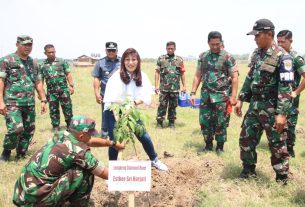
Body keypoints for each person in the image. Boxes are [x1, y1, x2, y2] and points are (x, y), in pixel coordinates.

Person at [13, 115, 124, 206]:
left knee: (75, 167)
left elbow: (89, 141)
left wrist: (111, 144)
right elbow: (105, 173)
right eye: (89, 134)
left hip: (23, 193)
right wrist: (130, 174)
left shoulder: (60, 135)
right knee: (83, 171)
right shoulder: (79, 152)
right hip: (37, 199)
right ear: (81, 135)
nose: (91, 137)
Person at [235, 19, 293, 183]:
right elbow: (249, 78)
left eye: (257, 35)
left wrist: (281, 113)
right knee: (245, 139)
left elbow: (285, 87)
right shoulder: (257, 53)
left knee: (277, 144)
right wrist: (241, 98)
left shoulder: (283, 57)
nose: (254, 38)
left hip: (272, 109)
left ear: (269, 34)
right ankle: (248, 170)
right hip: (254, 107)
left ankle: (281, 177)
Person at [103, 48, 168, 171]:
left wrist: (132, 103)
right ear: (123, 62)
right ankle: (112, 169)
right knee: (115, 141)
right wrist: (121, 113)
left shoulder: (141, 76)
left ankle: (154, 160)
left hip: (130, 110)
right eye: (127, 60)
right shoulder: (116, 77)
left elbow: (145, 96)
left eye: (133, 59)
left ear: (138, 61)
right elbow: (111, 99)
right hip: (113, 111)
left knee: (144, 136)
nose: (130, 62)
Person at [0, 35, 47, 161]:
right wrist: (0, 102)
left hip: (29, 102)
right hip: (12, 102)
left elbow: (38, 82)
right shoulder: (7, 60)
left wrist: (43, 99)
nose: (27, 47)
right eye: (24, 44)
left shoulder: (34, 62)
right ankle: (7, 150)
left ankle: (21, 153)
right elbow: (1, 81)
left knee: (29, 130)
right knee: (16, 128)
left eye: (30, 45)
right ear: (17, 44)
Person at [190, 31, 238, 154]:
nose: (215, 47)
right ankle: (208, 145)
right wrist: (193, 93)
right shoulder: (203, 56)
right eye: (212, 44)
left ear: (221, 42)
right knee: (205, 121)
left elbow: (234, 77)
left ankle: (220, 147)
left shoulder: (228, 57)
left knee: (221, 122)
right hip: (206, 95)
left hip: (222, 96)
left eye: (217, 44)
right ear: (208, 43)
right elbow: (197, 75)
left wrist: (233, 96)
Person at [277, 30, 305, 158]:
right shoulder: (277, 55)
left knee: (291, 124)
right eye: (278, 42)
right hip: (278, 97)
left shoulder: (295, 57)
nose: (280, 44)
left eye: (283, 42)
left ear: (291, 41)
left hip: (291, 99)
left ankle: (290, 148)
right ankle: (280, 147)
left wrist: (296, 91)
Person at [40, 44, 74, 131]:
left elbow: (68, 74)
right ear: (45, 53)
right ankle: (55, 126)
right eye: (49, 52)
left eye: (53, 52)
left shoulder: (61, 61)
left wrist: (71, 85)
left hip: (63, 90)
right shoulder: (42, 64)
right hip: (51, 91)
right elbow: (41, 80)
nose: (51, 54)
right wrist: (41, 93)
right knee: (53, 109)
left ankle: (70, 125)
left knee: (67, 108)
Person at [92, 42, 121, 138]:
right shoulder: (100, 62)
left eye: (113, 50)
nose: (111, 52)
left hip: (120, 95)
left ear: (117, 50)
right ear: (106, 51)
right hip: (106, 94)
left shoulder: (123, 61)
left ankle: (119, 135)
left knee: (120, 115)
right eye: (109, 50)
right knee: (106, 115)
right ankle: (104, 135)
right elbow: (96, 78)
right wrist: (96, 94)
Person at [155, 41, 186, 128]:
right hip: (163, 88)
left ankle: (171, 123)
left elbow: (182, 73)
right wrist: (156, 86)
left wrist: (184, 86)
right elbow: (157, 72)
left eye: (172, 48)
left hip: (175, 88)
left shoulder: (179, 60)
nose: (170, 50)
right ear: (166, 49)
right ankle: (159, 122)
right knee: (162, 105)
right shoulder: (161, 59)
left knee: (173, 106)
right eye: (168, 48)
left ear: (175, 49)